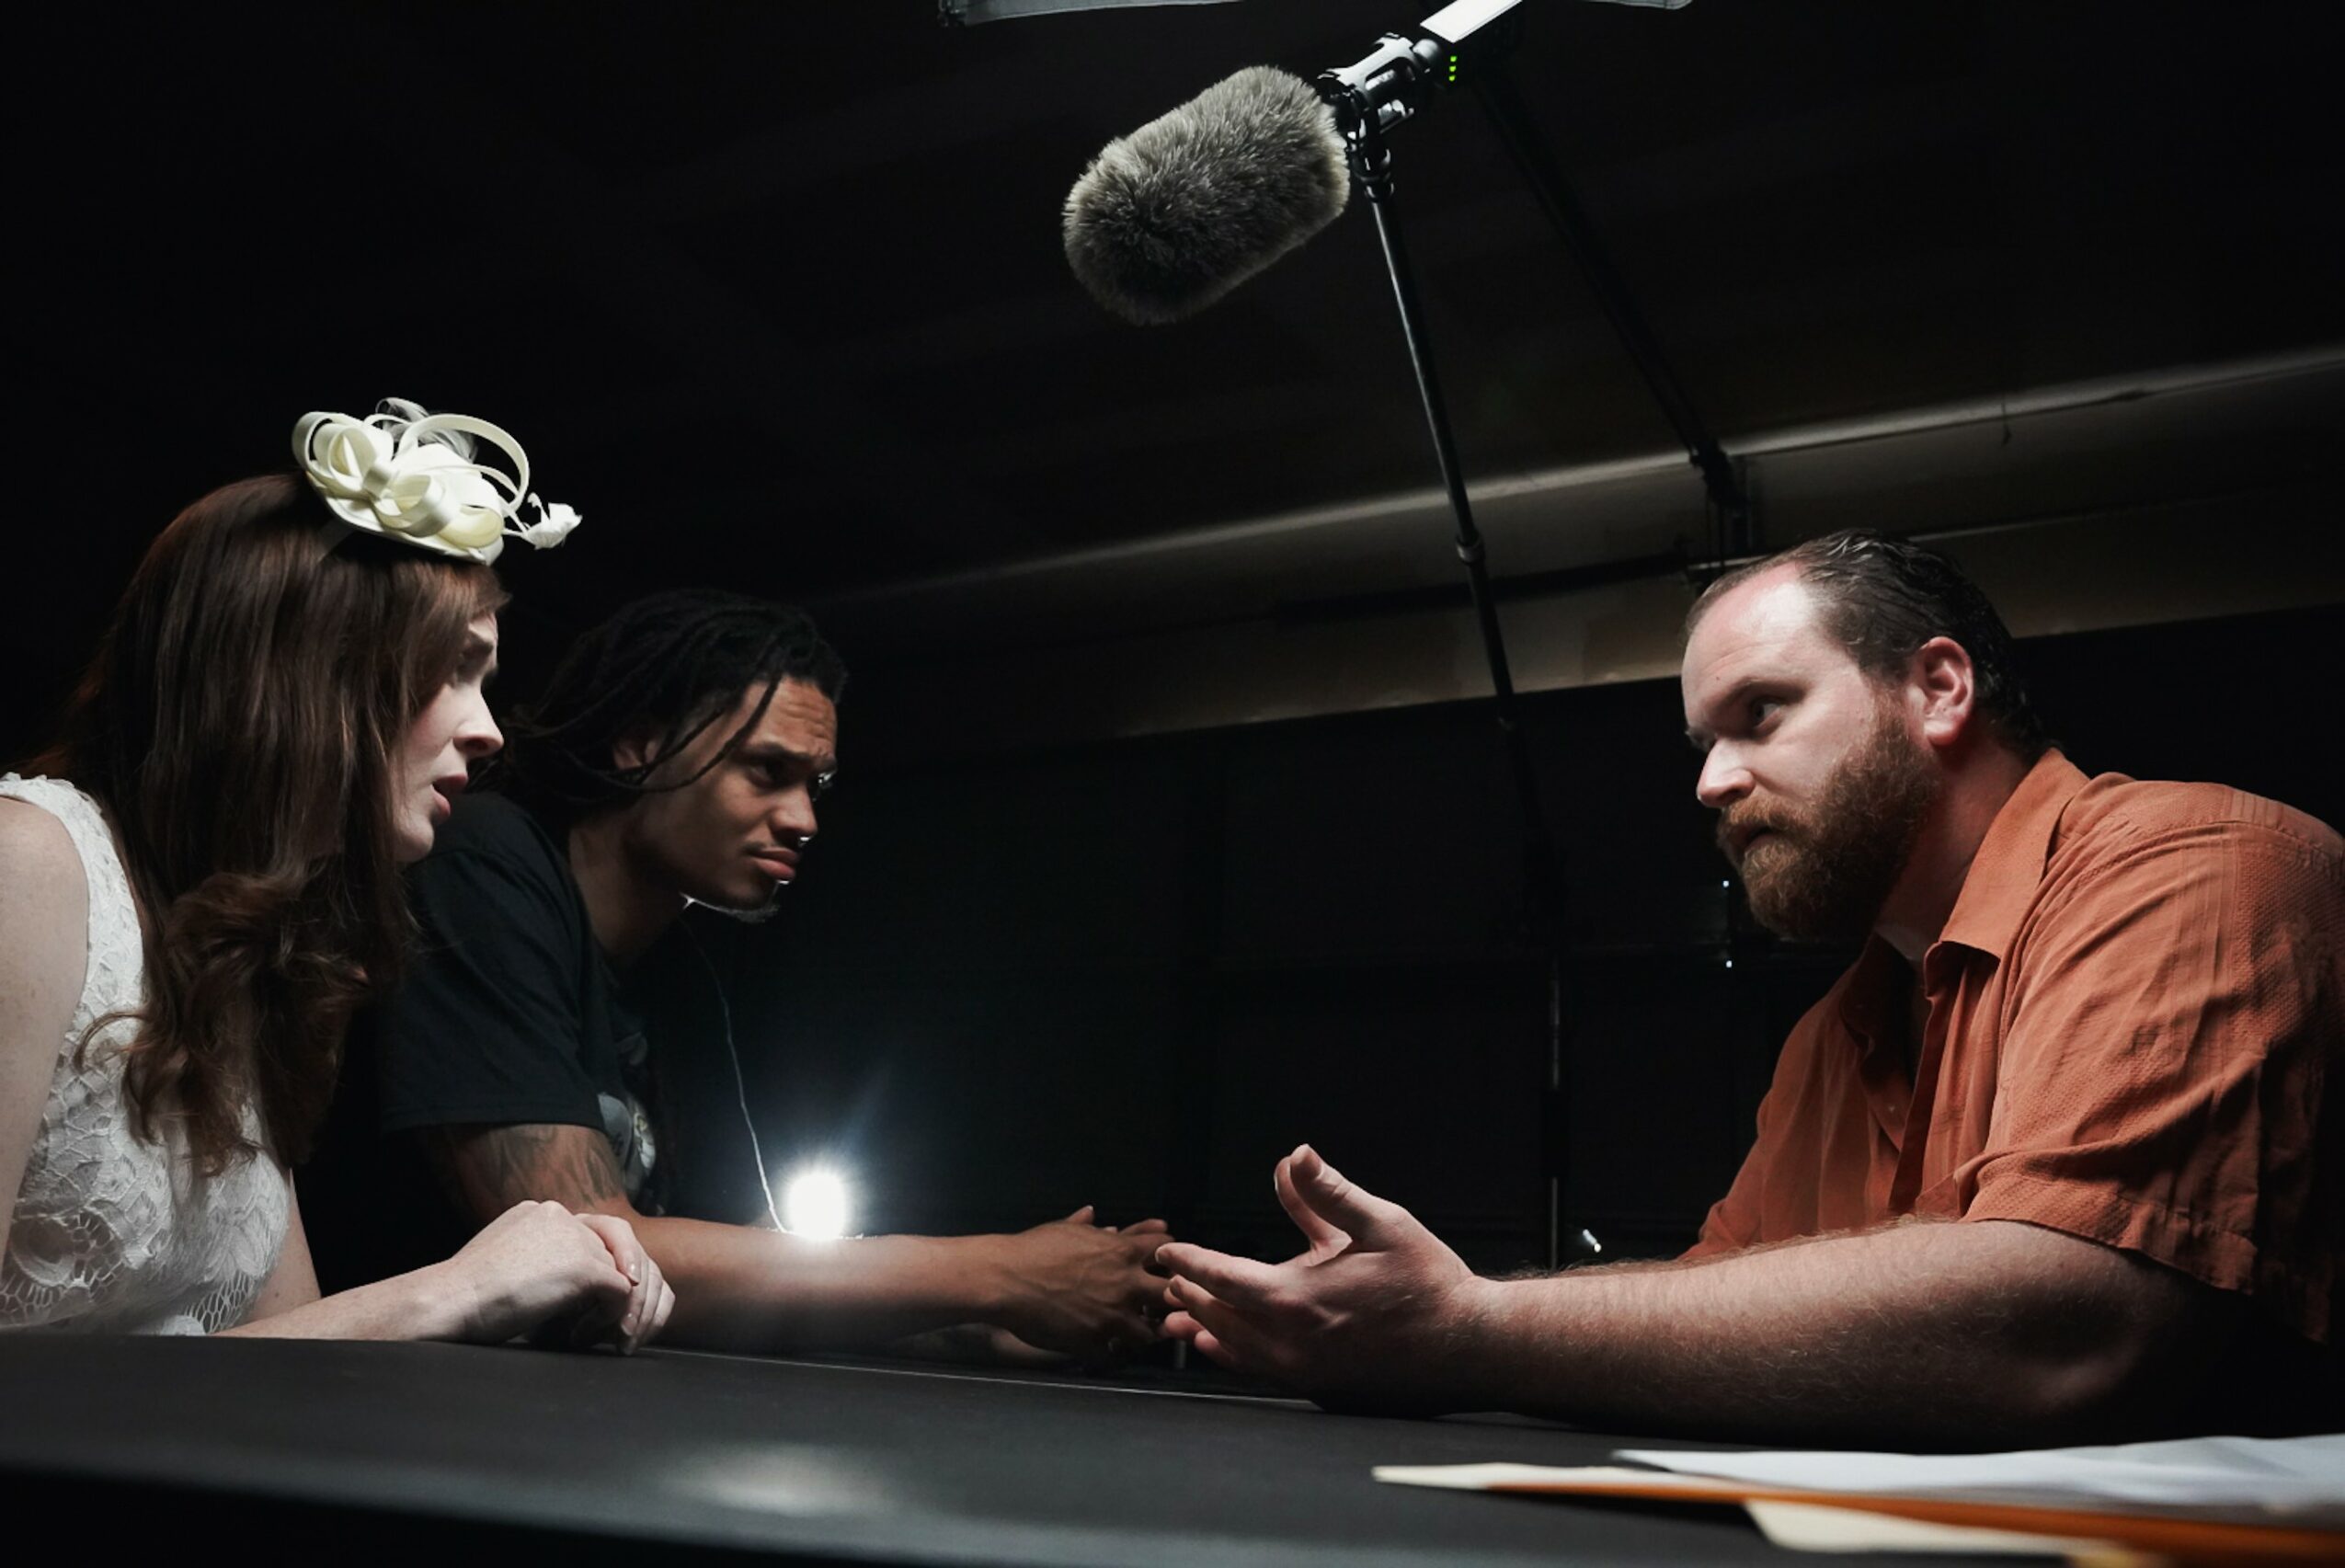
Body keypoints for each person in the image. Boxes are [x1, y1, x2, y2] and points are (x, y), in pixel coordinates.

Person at [1155, 531, 2342, 1446]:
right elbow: (1704, 1316)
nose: (1712, 782)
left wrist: (1464, 1324)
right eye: (1700, 744)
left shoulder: (2192, 864)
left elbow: (2071, 1322)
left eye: (1759, 713)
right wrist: (1413, 1311)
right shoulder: (1840, 1029)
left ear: (1937, 688)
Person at [303, 589, 1170, 1359]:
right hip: (387, 1412)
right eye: (766, 771)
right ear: (639, 745)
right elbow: (588, 1247)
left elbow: (742, 1262)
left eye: (817, 784)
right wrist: (994, 1273)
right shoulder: (484, 861)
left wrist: (996, 1321)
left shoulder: (686, 966)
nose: (803, 819)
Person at [1, 399, 671, 1347]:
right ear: (320, 666)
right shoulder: (27, 861)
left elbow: (294, 1344)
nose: (485, 728)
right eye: (454, 667)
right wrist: (456, 1288)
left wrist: (540, 1281)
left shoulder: (231, 956)